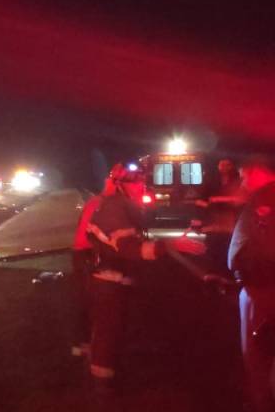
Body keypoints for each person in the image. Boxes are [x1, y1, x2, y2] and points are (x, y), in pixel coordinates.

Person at [85, 163, 204, 389]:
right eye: (137, 181)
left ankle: (109, 371)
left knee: (115, 328)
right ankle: (103, 384)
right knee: (109, 330)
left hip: (115, 278)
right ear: (121, 185)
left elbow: (137, 235)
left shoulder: (123, 205)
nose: (142, 186)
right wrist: (169, 244)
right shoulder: (114, 208)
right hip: (108, 281)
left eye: (143, 180)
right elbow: (128, 248)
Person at [228, 155, 275, 412]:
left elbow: (263, 248)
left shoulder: (266, 199)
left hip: (263, 291)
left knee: (258, 356)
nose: (242, 183)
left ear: (259, 172)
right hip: (260, 287)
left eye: (244, 176)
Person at [70, 177, 115, 358]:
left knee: (89, 300)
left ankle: (85, 342)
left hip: (86, 254)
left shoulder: (99, 202)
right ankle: (84, 343)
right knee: (89, 300)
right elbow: (91, 235)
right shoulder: (100, 204)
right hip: (86, 255)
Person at [197, 158, 245, 272]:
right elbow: (201, 200)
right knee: (213, 248)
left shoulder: (237, 180)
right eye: (222, 164)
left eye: (227, 164)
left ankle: (227, 272)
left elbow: (241, 199)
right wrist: (205, 208)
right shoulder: (211, 180)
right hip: (214, 220)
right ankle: (212, 272)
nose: (224, 167)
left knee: (228, 248)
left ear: (232, 166)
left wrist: (220, 200)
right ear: (218, 166)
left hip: (230, 222)